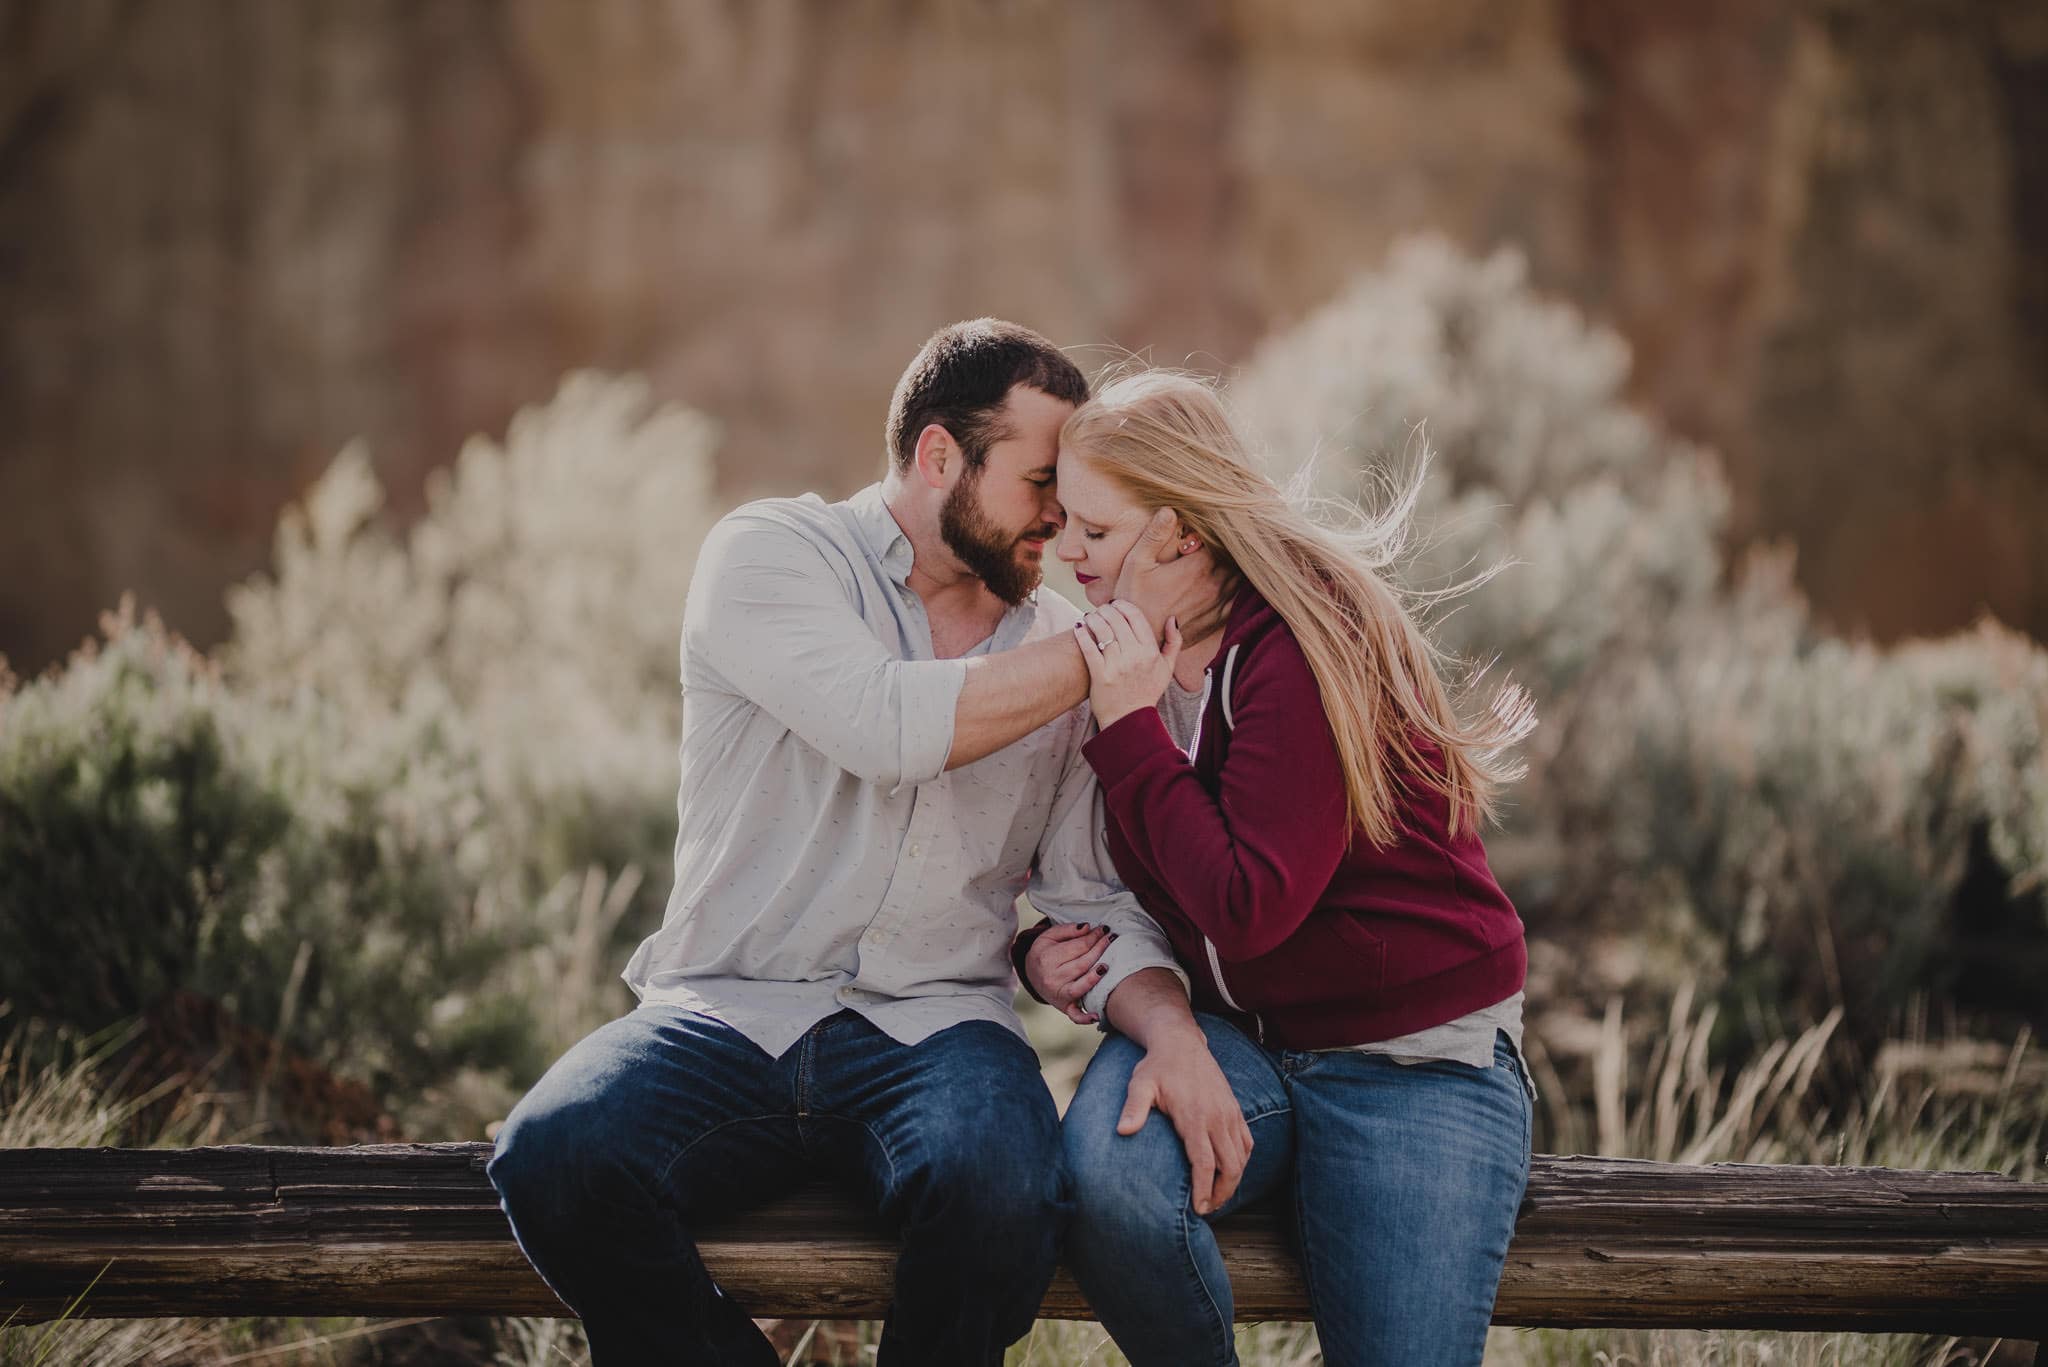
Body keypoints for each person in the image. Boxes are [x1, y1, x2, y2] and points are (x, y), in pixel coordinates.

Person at [486, 321, 1223, 1366]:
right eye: (1037, 480)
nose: (1060, 521)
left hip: (940, 1029)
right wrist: (1108, 650)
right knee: (552, 1155)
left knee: (1006, 1189)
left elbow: (1088, 900)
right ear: (936, 457)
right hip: (729, 1006)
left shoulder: (1060, 640)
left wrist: (1165, 1022)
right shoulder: (771, 553)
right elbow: (885, 723)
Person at [1017, 369, 1539, 1367]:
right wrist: (1043, 947)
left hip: (1406, 1065)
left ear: (1177, 532)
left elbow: (1244, 905)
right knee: (1112, 1171)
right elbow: (1102, 886)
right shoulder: (1127, 649)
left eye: (1092, 528)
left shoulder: (1299, 638)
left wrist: (1127, 727)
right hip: (1241, 1040)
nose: (1063, 550)